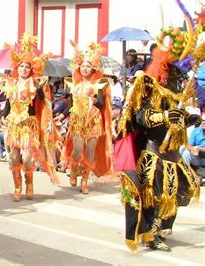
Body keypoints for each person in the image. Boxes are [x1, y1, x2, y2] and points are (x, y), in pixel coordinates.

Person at [117, 9, 202, 252]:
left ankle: (162, 227)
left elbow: (176, 118)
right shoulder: (147, 84)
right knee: (155, 195)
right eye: (174, 73)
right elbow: (139, 116)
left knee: (181, 191)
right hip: (154, 153)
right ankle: (151, 234)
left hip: (174, 153)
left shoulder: (175, 90)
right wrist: (163, 115)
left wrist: (188, 118)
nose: (178, 78)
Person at [0, 33, 61, 202]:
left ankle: (29, 183)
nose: (24, 69)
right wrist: (1, 116)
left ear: (31, 69)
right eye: (21, 66)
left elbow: (41, 102)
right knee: (13, 158)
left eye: (27, 67)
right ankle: (17, 187)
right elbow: (8, 103)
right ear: (17, 68)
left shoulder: (35, 84)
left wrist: (40, 88)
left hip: (29, 125)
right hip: (14, 124)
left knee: (26, 159)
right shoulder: (11, 84)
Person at [63, 42, 114, 194]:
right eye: (83, 66)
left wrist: (94, 99)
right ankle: (73, 168)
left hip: (93, 121)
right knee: (77, 150)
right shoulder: (74, 84)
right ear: (79, 67)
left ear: (93, 68)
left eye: (88, 66)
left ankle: (85, 180)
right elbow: (70, 103)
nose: (85, 68)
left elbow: (102, 104)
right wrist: (60, 115)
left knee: (90, 152)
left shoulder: (99, 84)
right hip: (78, 121)